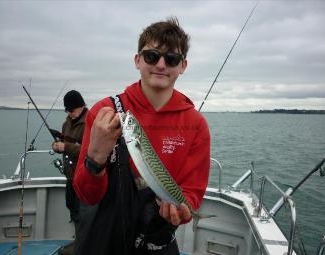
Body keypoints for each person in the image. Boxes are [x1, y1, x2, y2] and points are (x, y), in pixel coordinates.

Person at [73, 17, 210, 255]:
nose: (160, 64)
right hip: (106, 241)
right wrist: (95, 158)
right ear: (137, 60)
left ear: (183, 66)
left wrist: (184, 209)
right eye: (151, 56)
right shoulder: (104, 112)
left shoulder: (195, 124)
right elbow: (86, 195)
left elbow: (191, 194)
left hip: (158, 241)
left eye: (171, 58)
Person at [52, 90, 88, 255]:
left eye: (72, 110)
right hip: (70, 176)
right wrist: (57, 146)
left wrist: (66, 147)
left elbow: (90, 150)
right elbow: (63, 143)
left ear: (81, 107)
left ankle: (83, 245)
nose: (70, 113)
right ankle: (79, 242)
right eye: (67, 111)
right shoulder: (66, 123)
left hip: (85, 177)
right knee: (73, 208)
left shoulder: (90, 122)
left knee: (85, 212)